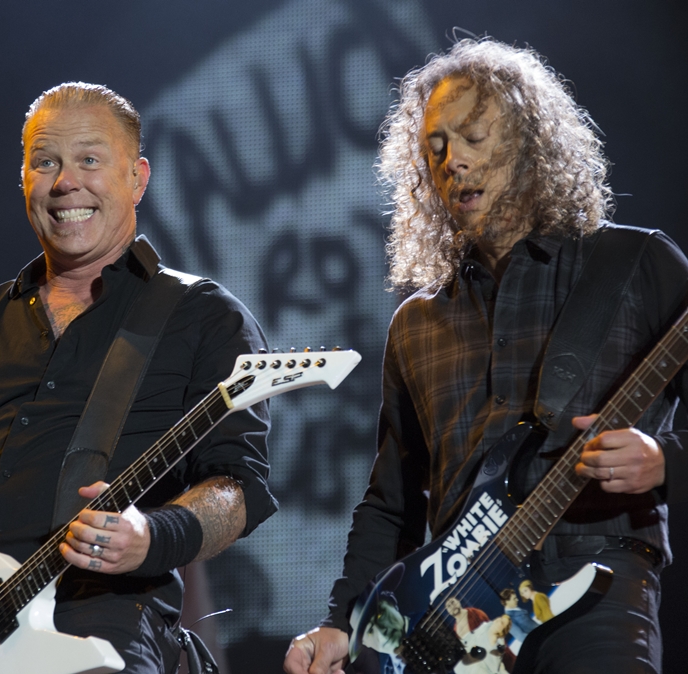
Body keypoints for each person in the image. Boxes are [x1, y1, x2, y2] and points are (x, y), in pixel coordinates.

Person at [284, 37, 687, 674]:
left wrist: (665, 459)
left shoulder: (634, 265)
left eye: (473, 137)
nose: (453, 163)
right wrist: (345, 624)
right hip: (456, 624)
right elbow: (391, 504)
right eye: (436, 148)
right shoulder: (417, 324)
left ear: (528, 142)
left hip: (596, 583)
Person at [0, 82, 278, 674]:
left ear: (137, 178)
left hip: (105, 633)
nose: (66, 182)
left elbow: (237, 486)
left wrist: (151, 535)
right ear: (23, 181)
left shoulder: (202, 317)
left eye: (90, 159)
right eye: (46, 162)